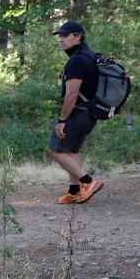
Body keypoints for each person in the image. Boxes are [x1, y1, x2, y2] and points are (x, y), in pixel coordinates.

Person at [48, 20, 105, 204]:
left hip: (78, 112)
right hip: (89, 113)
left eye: (65, 35)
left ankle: (88, 182)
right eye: (60, 36)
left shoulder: (77, 61)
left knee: (56, 151)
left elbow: (71, 95)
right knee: (71, 151)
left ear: (78, 37)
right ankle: (74, 191)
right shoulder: (88, 56)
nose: (61, 39)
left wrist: (62, 119)